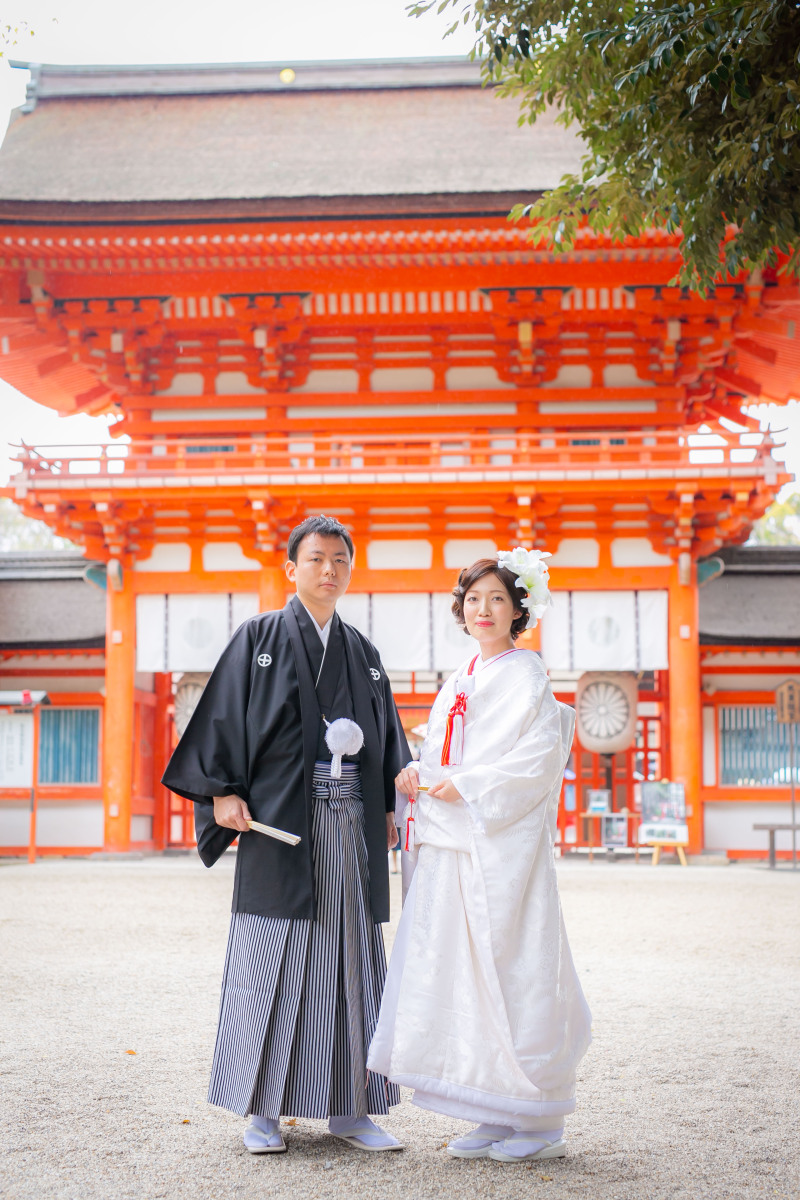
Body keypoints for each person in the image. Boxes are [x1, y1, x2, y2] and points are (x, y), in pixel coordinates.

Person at [162, 515, 409, 1154]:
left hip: (349, 828)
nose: (329, 571)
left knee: (352, 959)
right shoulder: (260, 637)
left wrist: (388, 807)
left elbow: (388, 737)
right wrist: (220, 790)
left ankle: (352, 1108)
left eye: (340, 561)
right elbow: (222, 717)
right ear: (291, 568)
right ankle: (261, 1111)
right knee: (271, 958)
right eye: (317, 559)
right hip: (279, 825)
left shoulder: (362, 651)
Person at [368, 548, 592, 1164]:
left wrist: (464, 784)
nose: (484, 610)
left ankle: (539, 1119)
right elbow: (445, 750)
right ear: (460, 610)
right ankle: (493, 1108)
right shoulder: (463, 675)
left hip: (500, 847)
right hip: (455, 843)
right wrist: (417, 773)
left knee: (511, 962)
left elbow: (534, 758)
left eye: (497, 599)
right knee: (461, 971)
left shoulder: (526, 673)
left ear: (519, 609)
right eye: (473, 599)